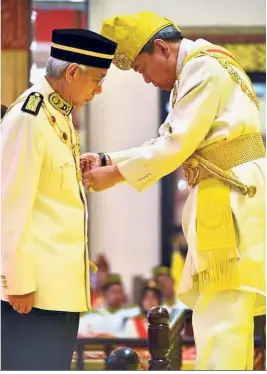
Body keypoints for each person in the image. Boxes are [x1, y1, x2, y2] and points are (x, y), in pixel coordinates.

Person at [80, 11, 266, 370]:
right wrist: (107, 158)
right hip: (228, 194)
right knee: (225, 319)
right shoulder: (204, 65)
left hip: (226, 200)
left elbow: (176, 144)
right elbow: (167, 139)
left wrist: (115, 173)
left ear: (162, 48)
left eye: (141, 68)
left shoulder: (201, 68)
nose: (147, 80)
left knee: (220, 320)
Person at [1, 28, 117, 370]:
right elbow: (9, 204)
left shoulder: (59, 115)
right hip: (33, 295)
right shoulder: (29, 117)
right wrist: (17, 283)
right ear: (71, 72)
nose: (98, 90)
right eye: (97, 79)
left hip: (58, 290)